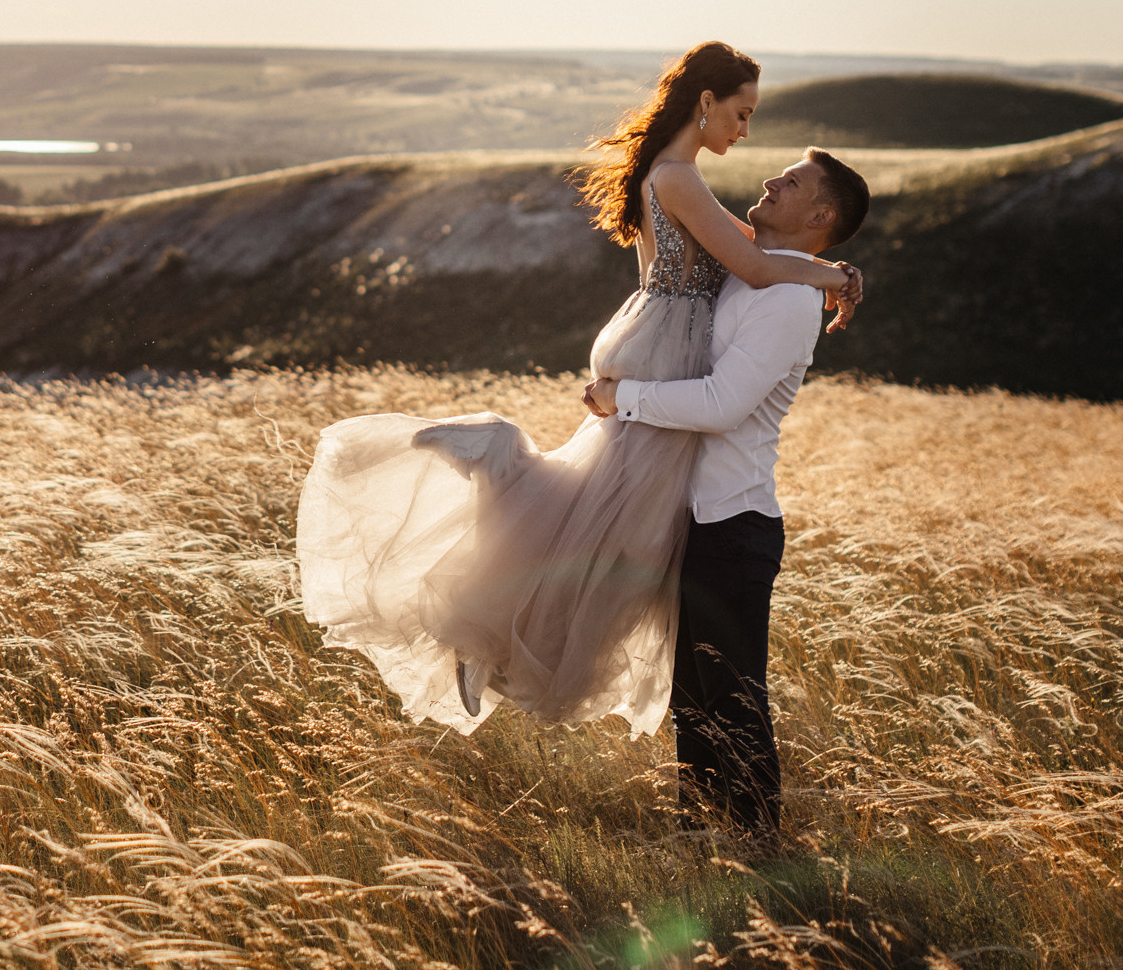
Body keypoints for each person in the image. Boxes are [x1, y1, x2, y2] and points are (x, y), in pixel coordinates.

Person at [295, 41, 863, 745]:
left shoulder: (676, 177)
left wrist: (824, 265)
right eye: (740, 114)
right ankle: (497, 511)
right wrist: (832, 278)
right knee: (611, 531)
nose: (743, 131)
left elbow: (754, 251)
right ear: (706, 102)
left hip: (652, 341)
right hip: (661, 349)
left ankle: (496, 629)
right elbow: (750, 259)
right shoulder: (679, 176)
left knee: (602, 520)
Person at [581, 145, 870, 840]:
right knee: (694, 700)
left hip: (734, 527)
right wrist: (841, 270)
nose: (772, 180)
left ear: (820, 213)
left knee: (733, 699)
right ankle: (701, 837)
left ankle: (759, 848)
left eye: (793, 182)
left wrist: (625, 398)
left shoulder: (791, 303)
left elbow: (723, 404)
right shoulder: (754, 271)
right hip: (693, 521)